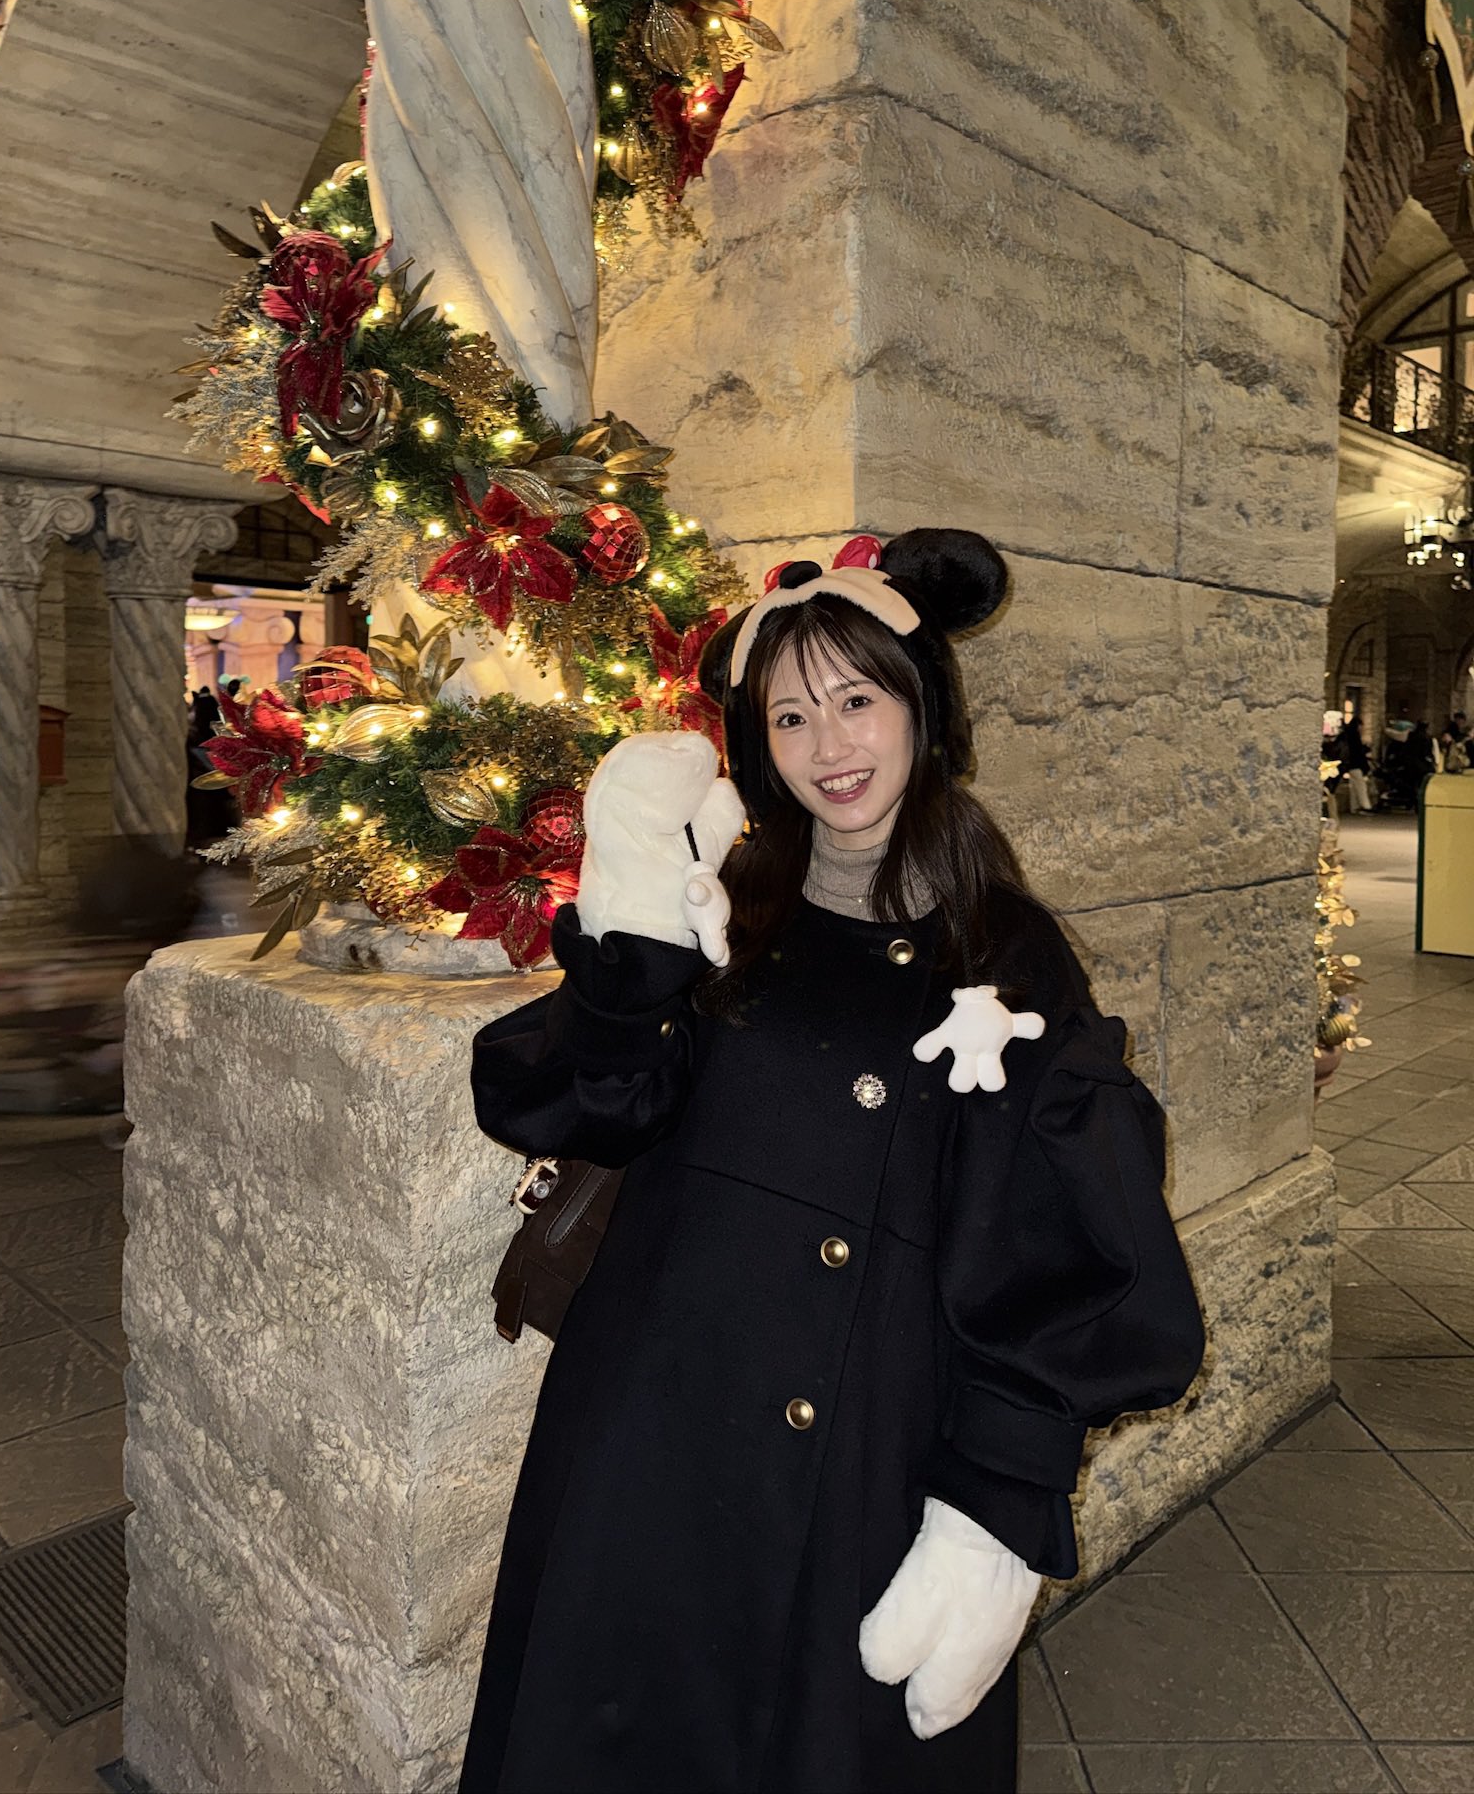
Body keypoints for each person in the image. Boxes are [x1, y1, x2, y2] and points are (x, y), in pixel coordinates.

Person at [462, 529, 1207, 1794]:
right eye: (793, 714)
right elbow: (571, 1100)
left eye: (858, 699)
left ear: (921, 705)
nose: (831, 746)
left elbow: (1072, 1224)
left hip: (861, 1445)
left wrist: (997, 1495)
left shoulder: (1004, 951)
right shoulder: (723, 895)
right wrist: (630, 957)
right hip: (650, 1421)